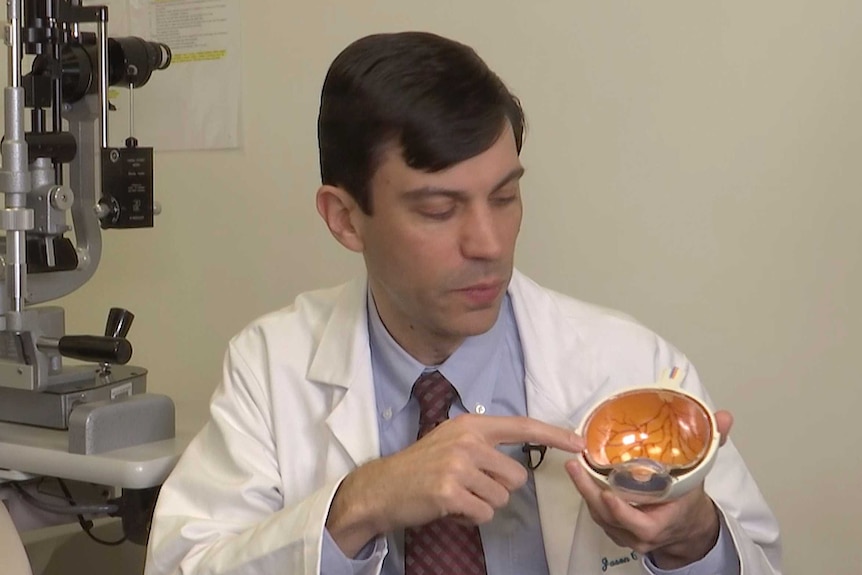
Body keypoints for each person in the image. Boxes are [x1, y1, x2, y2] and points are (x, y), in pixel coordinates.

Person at [144, 31, 781, 575]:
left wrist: (692, 539)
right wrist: (361, 503)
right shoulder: (270, 365)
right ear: (345, 219)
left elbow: (764, 558)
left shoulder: (630, 364)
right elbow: (183, 561)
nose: (490, 243)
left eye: (504, 198)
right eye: (439, 209)